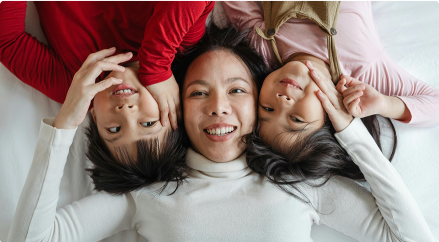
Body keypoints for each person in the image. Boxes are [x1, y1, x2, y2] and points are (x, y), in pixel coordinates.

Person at [7, 25, 434, 242]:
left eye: (237, 90)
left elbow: (414, 237)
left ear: (260, 103)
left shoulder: (301, 187)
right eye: (197, 92)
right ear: (173, 106)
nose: (218, 108)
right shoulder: (148, 193)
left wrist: (347, 128)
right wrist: (65, 125)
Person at [221, 0, 439, 181]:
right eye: (296, 119)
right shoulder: (362, 69)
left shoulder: (264, 47)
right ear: (330, 118)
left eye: (267, 108)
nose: (282, 100)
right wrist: (384, 104)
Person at [0, 0, 215, 131]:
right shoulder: (177, 45)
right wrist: (156, 66)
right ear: (173, 109)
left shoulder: (77, 86)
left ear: (93, 117)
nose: (126, 112)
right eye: (147, 124)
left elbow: (7, 41)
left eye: (114, 128)